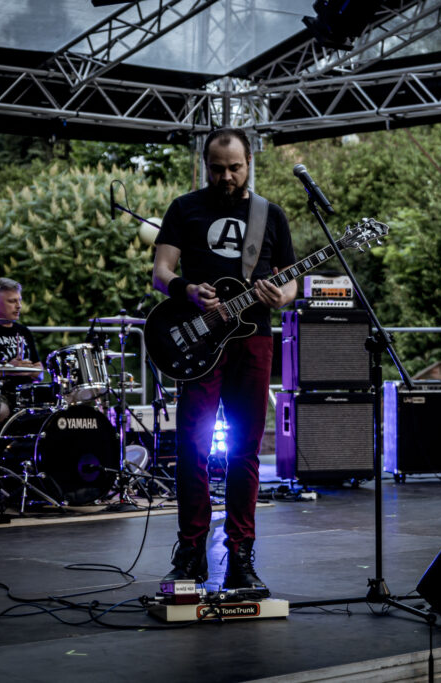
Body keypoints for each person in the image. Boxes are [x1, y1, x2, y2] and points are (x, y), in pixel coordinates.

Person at [152, 127, 296, 594]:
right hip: (198, 343)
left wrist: (282, 295)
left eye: (235, 167)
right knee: (193, 448)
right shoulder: (184, 208)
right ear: (205, 164)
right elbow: (161, 272)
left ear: (249, 162)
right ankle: (190, 551)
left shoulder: (269, 215)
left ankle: (241, 555)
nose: (227, 176)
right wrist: (188, 290)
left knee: (245, 452)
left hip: (253, 341)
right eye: (217, 169)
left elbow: (291, 282)